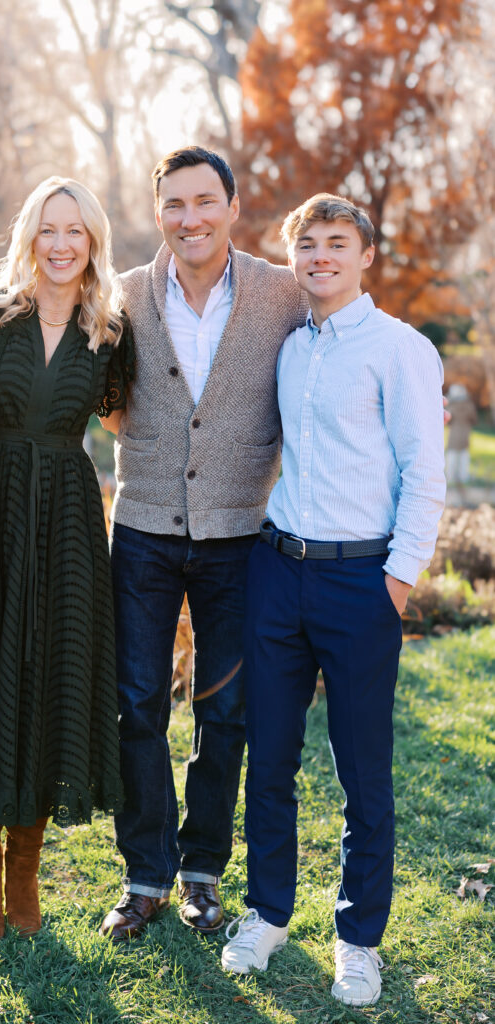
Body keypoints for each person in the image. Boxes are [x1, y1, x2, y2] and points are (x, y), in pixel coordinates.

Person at [220, 194, 445, 1007]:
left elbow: (425, 472)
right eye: (306, 244)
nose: (319, 256)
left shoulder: (400, 350)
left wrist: (395, 581)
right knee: (269, 757)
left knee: (362, 771)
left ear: (364, 256)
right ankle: (267, 914)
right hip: (277, 572)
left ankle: (357, 938)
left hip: (361, 582)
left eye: (335, 243)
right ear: (293, 258)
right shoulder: (290, 348)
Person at [99, 147, 309, 941]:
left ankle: (200, 871)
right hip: (145, 534)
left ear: (230, 204)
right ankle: (144, 873)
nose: (189, 219)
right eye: (174, 205)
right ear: (159, 212)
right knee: (138, 707)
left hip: (237, 540)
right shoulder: (120, 297)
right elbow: (105, 404)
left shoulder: (282, 293)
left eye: (203, 202)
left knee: (225, 715)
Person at [0, 177, 133, 940]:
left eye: (77, 232)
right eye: (49, 229)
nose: (62, 245)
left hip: (65, 524)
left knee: (49, 685)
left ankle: (25, 879)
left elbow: (135, 422)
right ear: (30, 233)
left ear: (93, 243)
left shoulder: (110, 330)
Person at [445, 382, 477, 485]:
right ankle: (463, 477)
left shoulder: (452, 407)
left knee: (452, 457)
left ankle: (450, 477)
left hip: (453, 436)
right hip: (465, 436)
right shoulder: (469, 406)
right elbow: (474, 419)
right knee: (464, 457)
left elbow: (447, 420)